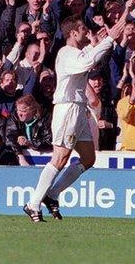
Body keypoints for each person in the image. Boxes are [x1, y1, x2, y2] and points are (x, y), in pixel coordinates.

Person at [23, 18, 122, 222]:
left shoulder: (78, 52)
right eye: (84, 29)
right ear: (73, 34)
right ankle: (33, 204)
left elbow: (89, 57)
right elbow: (86, 62)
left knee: (88, 158)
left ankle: (52, 194)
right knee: (60, 158)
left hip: (79, 108)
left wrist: (99, 43)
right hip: (67, 108)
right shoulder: (66, 53)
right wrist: (108, 40)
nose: (87, 32)